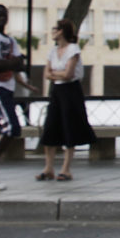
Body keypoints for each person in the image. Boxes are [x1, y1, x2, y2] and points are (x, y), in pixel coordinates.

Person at [0, 4, 38, 191]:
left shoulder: (10, 41)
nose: (2, 17)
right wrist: (12, 62)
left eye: (4, 14)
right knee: (12, 127)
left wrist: (7, 63)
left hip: (8, 88)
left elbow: (20, 65)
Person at [36, 19, 96, 181]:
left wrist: (55, 73)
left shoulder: (73, 49)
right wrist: (58, 74)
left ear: (62, 31)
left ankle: (66, 168)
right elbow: (47, 74)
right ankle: (48, 167)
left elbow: (69, 74)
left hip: (71, 91)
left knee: (69, 127)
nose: (53, 31)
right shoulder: (53, 51)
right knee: (50, 126)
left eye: (55, 29)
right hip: (57, 90)